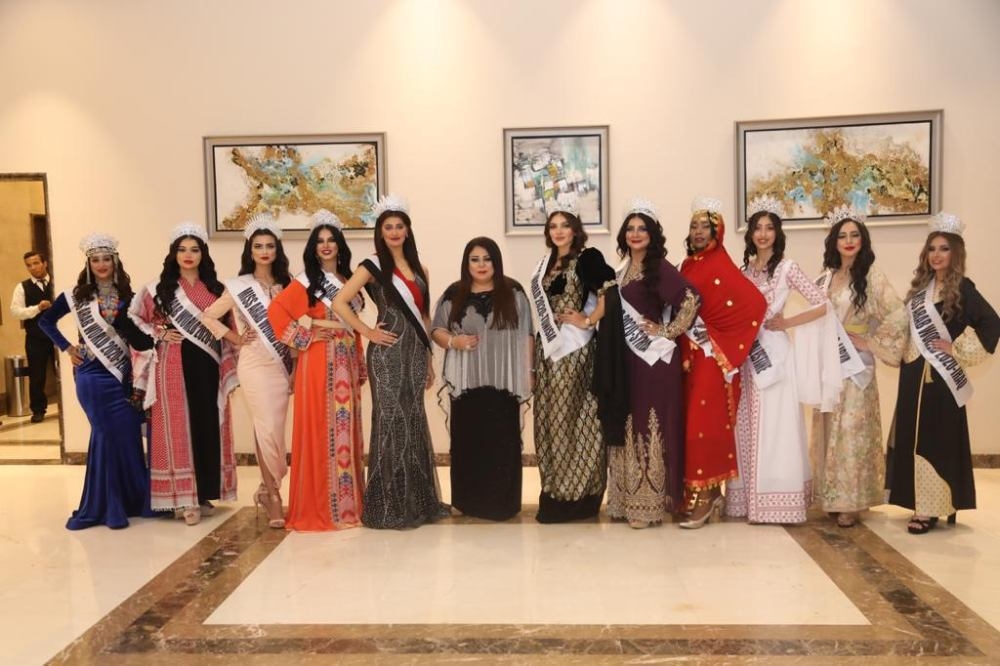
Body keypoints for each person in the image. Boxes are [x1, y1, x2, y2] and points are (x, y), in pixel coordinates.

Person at [332, 195, 450, 529]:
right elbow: (339, 302)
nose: (395, 232)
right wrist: (368, 331)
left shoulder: (421, 269)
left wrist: (428, 360)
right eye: (388, 227)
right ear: (380, 233)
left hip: (415, 353)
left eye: (399, 226)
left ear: (408, 230)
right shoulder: (371, 267)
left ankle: (419, 501)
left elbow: (424, 317)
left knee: (413, 420)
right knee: (390, 422)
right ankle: (389, 505)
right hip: (386, 354)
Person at [885, 212, 1000, 533]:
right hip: (912, 377)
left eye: (944, 249)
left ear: (955, 253)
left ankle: (931, 508)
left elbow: (992, 324)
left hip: (940, 380)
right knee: (911, 436)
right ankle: (915, 501)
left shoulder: (963, 289)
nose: (936, 255)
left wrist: (957, 348)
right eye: (932, 249)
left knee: (935, 439)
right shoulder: (920, 289)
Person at [727, 196, 832, 525]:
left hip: (774, 357)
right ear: (750, 234)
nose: (762, 234)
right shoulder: (743, 272)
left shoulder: (788, 268)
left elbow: (821, 304)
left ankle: (776, 501)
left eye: (769, 228)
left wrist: (786, 322)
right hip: (747, 357)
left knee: (775, 427)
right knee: (746, 425)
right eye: (757, 228)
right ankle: (747, 501)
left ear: (777, 233)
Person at [38, 234, 152, 529]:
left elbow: (140, 335)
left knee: (127, 434)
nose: (101, 265)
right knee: (105, 435)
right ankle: (107, 505)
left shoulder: (128, 296)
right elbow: (45, 321)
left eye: (106, 259)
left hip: (122, 375)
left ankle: (135, 500)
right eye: (95, 260)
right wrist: (67, 348)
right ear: (88, 264)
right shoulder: (75, 296)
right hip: (92, 377)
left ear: (115, 261)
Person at [128, 222, 238, 526]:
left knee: (206, 425)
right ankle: (183, 498)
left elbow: (228, 325)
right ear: (173, 254)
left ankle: (202, 493)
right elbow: (133, 318)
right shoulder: (157, 289)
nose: (188, 255)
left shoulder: (215, 289)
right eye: (182, 249)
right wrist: (158, 333)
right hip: (172, 364)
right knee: (177, 426)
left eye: (194, 249)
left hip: (208, 364)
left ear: (203, 254)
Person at [527, 199, 628, 523]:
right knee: (549, 422)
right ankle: (555, 492)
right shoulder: (545, 265)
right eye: (553, 226)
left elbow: (610, 291)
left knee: (575, 421)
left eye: (565, 225)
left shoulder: (587, 258)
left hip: (575, 351)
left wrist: (587, 320)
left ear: (575, 230)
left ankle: (580, 496)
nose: (559, 231)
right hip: (549, 351)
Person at [267, 210, 366, 531]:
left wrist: (359, 360)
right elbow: (277, 311)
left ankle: (349, 505)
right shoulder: (307, 280)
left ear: (339, 245)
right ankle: (322, 506)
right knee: (322, 426)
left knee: (345, 427)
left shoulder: (349, 279)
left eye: (331, 240)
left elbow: (352, 323)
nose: (326, 245)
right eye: (320, 241)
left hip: (346, 355)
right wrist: (305, 336)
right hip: (320, 359)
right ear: (313, 247)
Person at [811, 205, 906, 528]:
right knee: (829, 428)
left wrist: (870, 342)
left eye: (855, 235)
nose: (849, 241)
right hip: (830, 364)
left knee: (851, 431)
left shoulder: (872, 276)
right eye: (842, 236)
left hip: (856, 367)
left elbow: (898, 314)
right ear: (834, 241)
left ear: (863, 240)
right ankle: (831, 497)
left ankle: (851, 501)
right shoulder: (826, 275)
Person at [608, 199, 700, 527]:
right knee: (629, 420)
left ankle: (648, 505)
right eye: (630, 229)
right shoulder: (621, 269)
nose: (635, 234)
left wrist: (666, 331)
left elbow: (691, 299)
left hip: (653, 360)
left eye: (642, 229)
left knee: (650, 424)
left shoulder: (658, 267)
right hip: (628, 360)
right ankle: (626, 498)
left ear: (652, 234)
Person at [678, 197, 767, 528]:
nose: (699, 232)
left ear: (718, 231)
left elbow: (755, 305)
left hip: (712, 360)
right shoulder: (688, 265)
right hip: (690, 358)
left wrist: (717, 337)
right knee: (691, 425)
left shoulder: (721, 264)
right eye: (694, 226)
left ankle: (707, 495)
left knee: (705, 426)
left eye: (706, 226)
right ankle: (705, 492)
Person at [430, 237, 534, 521]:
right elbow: (436, 329)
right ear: (467, 263)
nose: (481, 265)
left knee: (503, 445)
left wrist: (530, 372)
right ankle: (468, 502)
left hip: (504, 385)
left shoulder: (514, 292)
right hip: (467, 386)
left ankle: (503, 503)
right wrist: (454, 342)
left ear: (496, 262)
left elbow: (527, 334)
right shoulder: (455, 293)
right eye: (474, 259)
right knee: (468, 445)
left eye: (487, 259)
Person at [202, 213, 293, 529]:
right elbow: (208, 317)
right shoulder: (239, 286)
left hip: (281, 364)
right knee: (266, 426)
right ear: (250, 251)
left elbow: (294, 324)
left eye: (270, 246)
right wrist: (236, 337)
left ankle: (267, 489)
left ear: (277, 250)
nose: (264, 251)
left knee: (273, 429)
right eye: (258, 246)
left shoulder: (287, 284)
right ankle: (274, 496)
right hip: (254, 364)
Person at [10, 251, 56, 422]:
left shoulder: (58, 281)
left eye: (36, 263)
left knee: (65, 370)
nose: (33, 268)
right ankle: (38, 410)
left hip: (59, 335)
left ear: (45, 263)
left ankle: (71, 404)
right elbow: (16, 312)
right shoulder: (22, 287)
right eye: (29, 265)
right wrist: (37, 308)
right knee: (37, 375)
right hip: (36, 337)